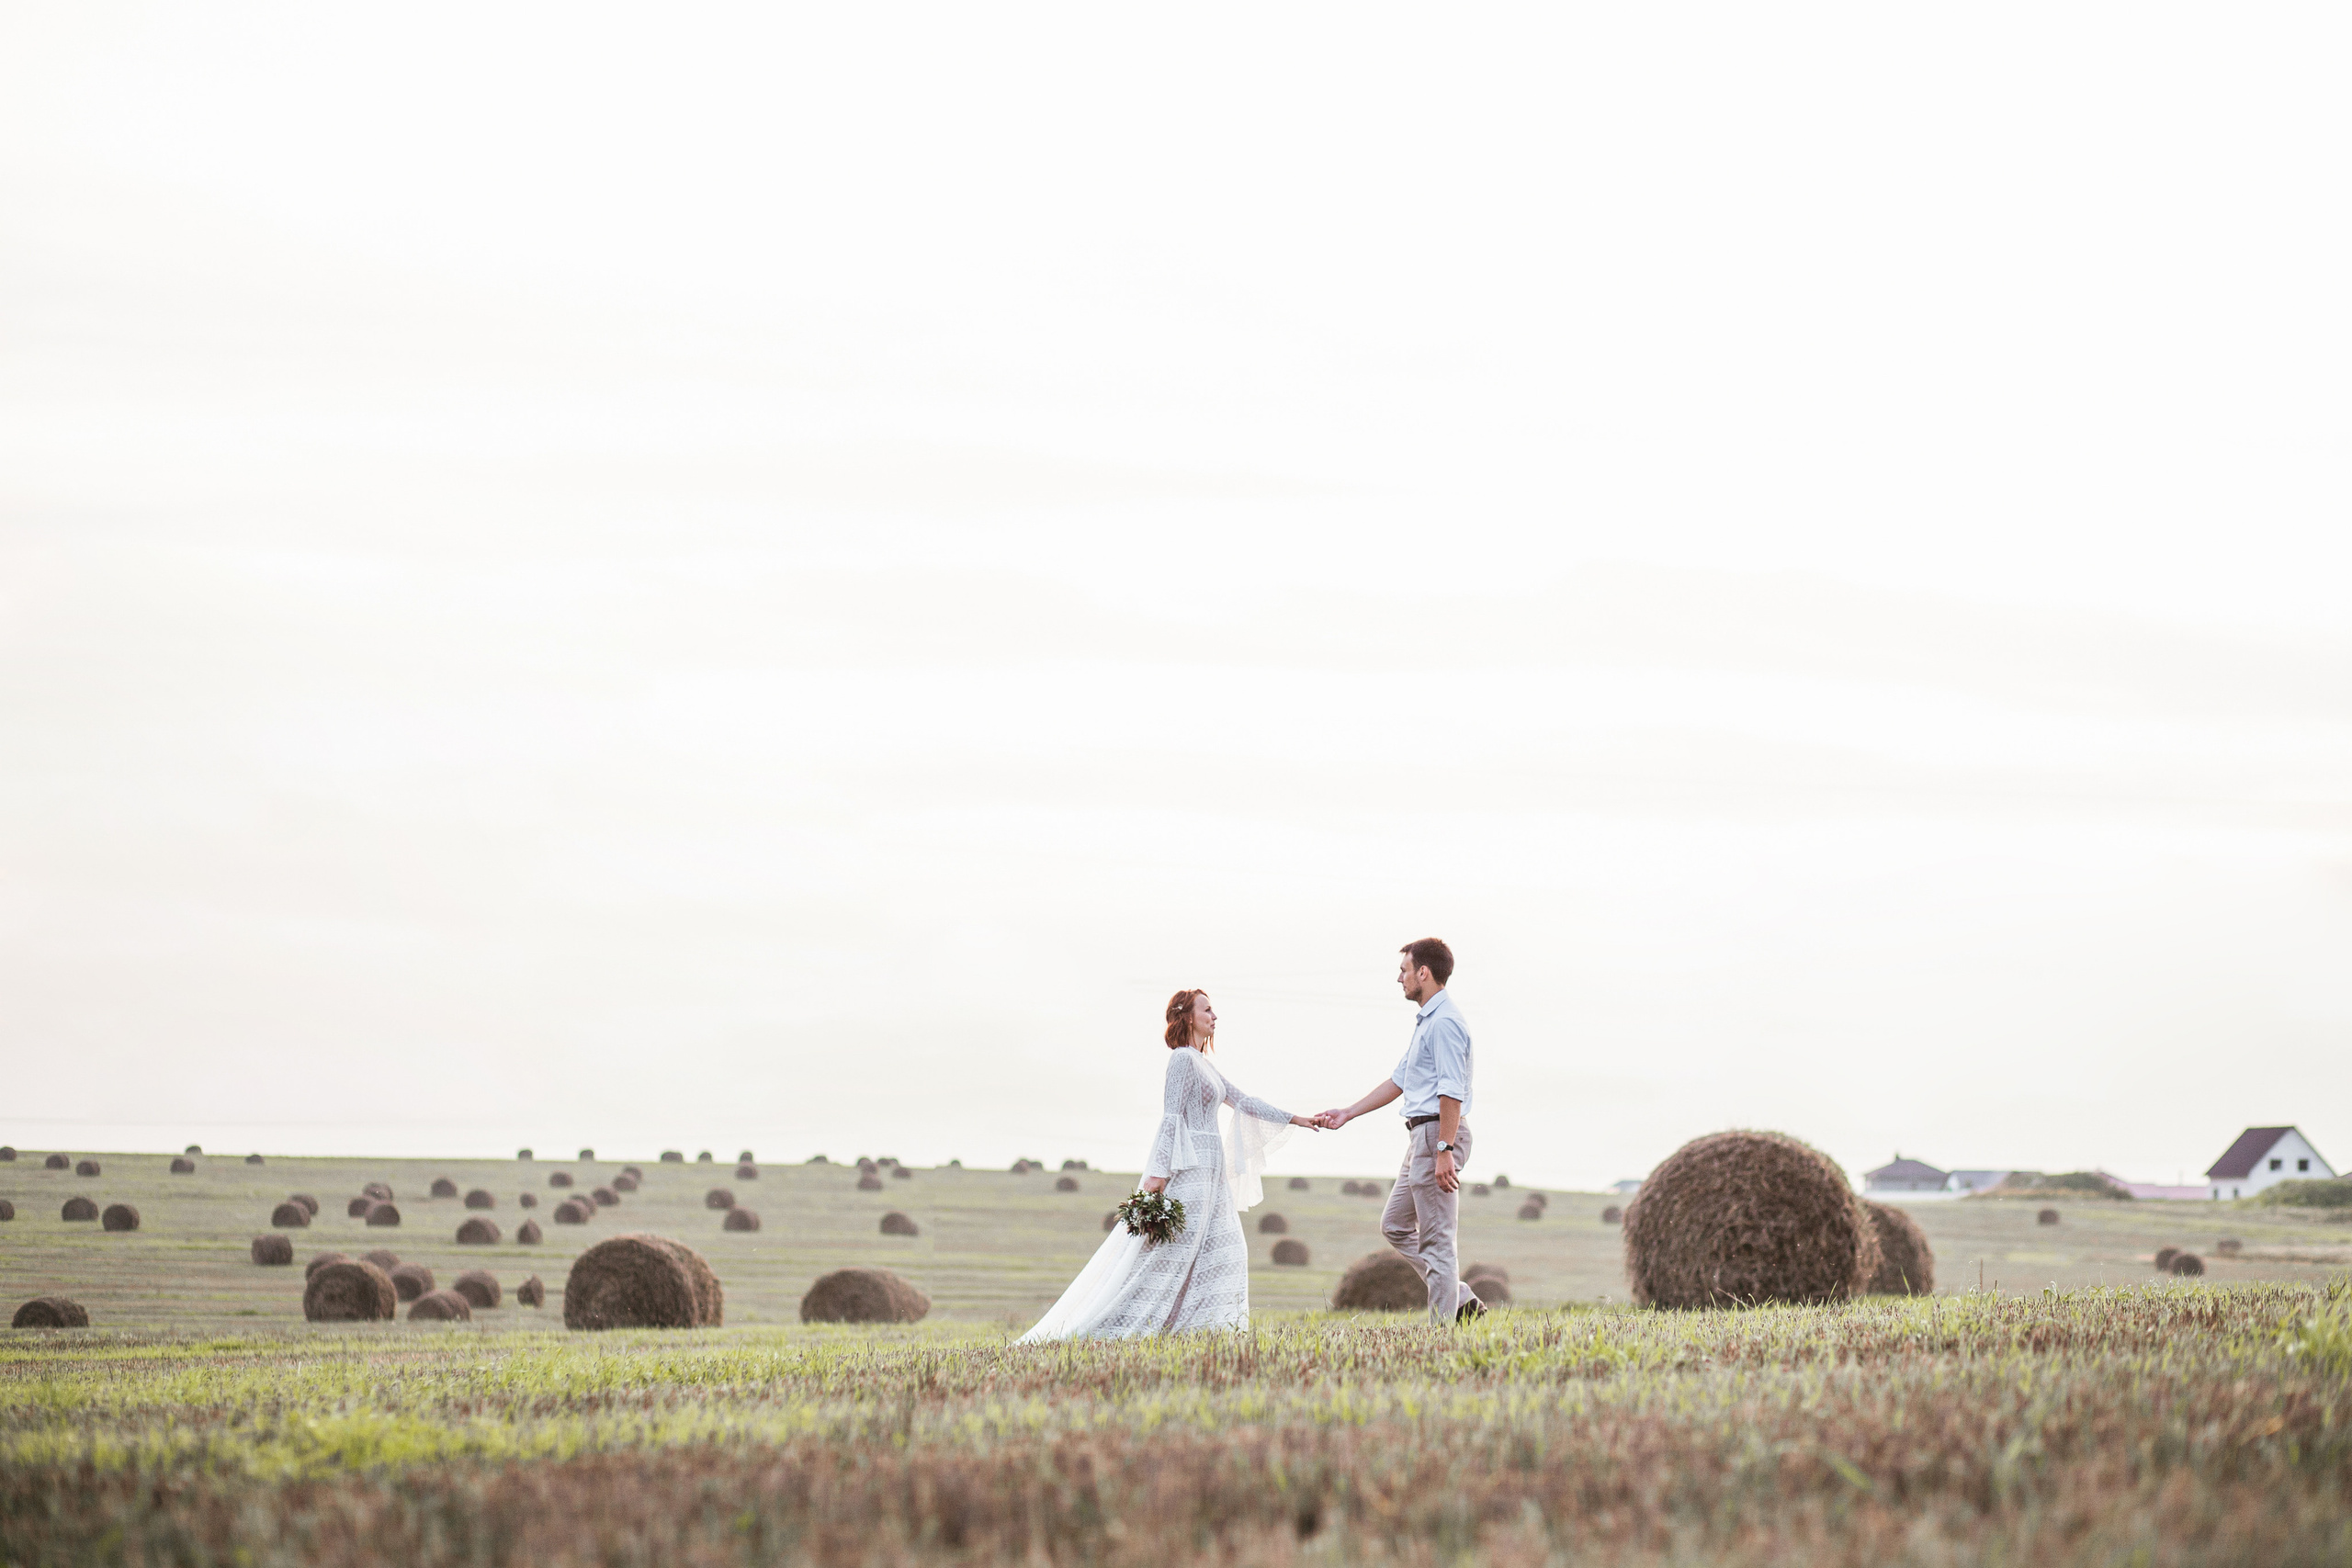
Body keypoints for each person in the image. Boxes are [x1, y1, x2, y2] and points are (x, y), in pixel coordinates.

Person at [1018, 989, 1317, 1341]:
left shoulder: (1204, 1063)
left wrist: (1297, 1118)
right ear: (1189, 1017)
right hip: (1189, 1169)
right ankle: (1118, 1326)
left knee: (1227, 1247)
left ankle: (1210, 1329)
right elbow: (1171, 1117)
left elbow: (1243, 1101)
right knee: (1171, 1253)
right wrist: (1158, 1174)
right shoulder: (1181, 1060)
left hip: (1213, 1173)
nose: (1214, 1016)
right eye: (1207, 1010)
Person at [1316, 938, 1483, 1324]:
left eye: (1404, 970)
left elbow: (1451, 1091)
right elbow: (1399, 1080)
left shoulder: (1445, 1023)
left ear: (1424, 973)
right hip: (1423, 1136)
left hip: (1436, 1134)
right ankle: (1457, 1295)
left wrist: (1445, 1148)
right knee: (1394, 1224)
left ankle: (1443, 1333)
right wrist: (1349, 1112)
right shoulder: (1429, 1021)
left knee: (1438, 1241)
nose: (1399, 978)